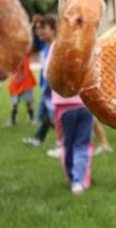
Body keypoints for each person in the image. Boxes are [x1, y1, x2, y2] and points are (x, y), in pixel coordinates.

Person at [45, 44, 94, 195]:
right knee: (82, 144)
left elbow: (47, 75)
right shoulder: (86, 46)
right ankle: (80, 179)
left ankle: (73, 177)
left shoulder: (57, 46)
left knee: (67, 144)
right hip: (85, 103)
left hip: (63, 106)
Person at [23, 15, 57, 147]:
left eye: (43, 28)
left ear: (54, 29)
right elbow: (29, 41)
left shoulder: (57, 47)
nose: (39, 31)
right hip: (45, 87)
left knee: (53, 116)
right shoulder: (44, 46)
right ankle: (39, 139)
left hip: (54, 89)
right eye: (38, 29)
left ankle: (61, 143)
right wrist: (33, 25)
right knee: (47, 116)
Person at [7, 50, 36, 126]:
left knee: (28, 102)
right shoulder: (10, 56)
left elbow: (32, 46)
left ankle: (31, 118)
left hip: (26, 83)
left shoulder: (25, 52)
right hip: (15, 84)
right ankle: (13, 119)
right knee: (14, 103)